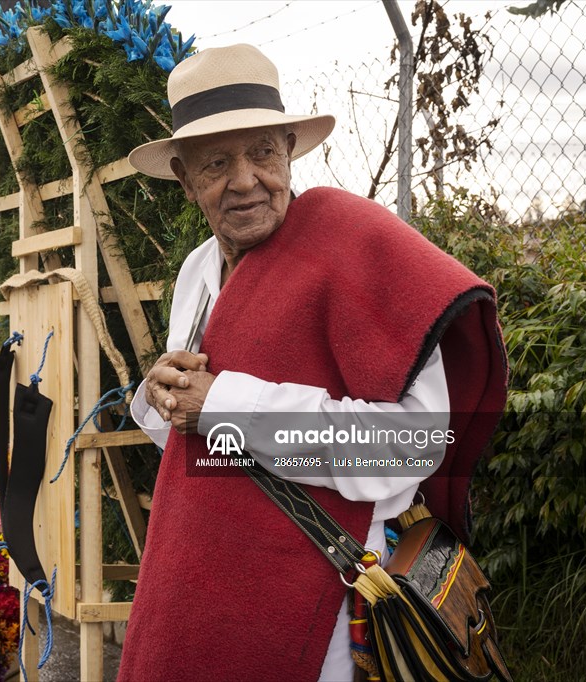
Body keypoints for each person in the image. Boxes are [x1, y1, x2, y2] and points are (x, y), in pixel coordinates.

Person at [118, 45, 507, 681]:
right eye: (216, 163)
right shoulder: (195, 273)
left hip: (322, 610)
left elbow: (410, 448)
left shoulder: (357, 249)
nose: (246, 180)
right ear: (184, 180)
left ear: (291, 149)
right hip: (211, 591)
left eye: (263, 153)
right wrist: (163, 396)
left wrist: (224, 404)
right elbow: (205, 446)